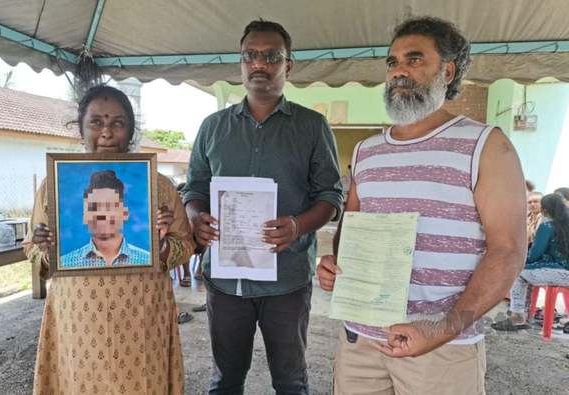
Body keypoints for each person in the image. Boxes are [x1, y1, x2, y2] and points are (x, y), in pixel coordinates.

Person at [317, 17, 526, 394]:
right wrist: (338, 266)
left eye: (414, 59)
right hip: (361, 341)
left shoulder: (486, 146)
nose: (399, 71)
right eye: (393, 62)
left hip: (442, 350)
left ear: (447, 71)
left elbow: (508, 251)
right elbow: (353, 227)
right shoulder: (367, 151)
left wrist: (442, 329)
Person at [182, 19, 342, 394]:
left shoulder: (312, 127)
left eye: (271, 56)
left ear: (288, 65)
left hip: (286, 279)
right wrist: (195, 218)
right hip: (226, 280)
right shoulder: (212, 127)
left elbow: (331, 198)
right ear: (240, 63)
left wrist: (298, 225)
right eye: (250, 56)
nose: (259, 64)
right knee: (225, 380)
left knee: (290, 381)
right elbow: (195, 188)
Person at [24, 85, 195, 395]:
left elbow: (186, 248)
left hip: (142, 319)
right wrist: (45, 249)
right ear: (81, 128)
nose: (107, 133)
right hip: (77, 319)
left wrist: (162, 245)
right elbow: (31, 249)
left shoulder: (159, 186)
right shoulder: (55, 184)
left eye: (118, 123)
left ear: (130, 131)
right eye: (96, 122)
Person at [493, 193, 569, 330]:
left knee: (518, 273)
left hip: (558, 273)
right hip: (563, 273)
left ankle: (518, 316)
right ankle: (524, 314)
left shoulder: (547, 226)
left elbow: (534, 254)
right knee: (527, 272)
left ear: (545, 210)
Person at [60, 170, 150, 268]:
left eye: (109, 207)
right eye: (94, 208)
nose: (102, 215)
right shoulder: (64, 264)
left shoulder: (147, 261)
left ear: (125, 213)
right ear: (84, 216)